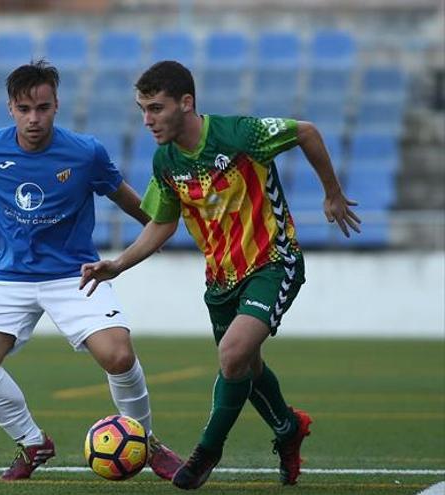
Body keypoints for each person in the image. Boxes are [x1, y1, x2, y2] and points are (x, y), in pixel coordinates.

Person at [0, 59, 182, 481]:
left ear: (56, 105)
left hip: (73, 274)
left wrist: (164, 228)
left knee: (118, 355)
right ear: (10, 108)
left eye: (42, 108)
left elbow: (135, 205)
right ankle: (32, 442)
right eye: (24, 109)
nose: (34, 118)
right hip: (10, 276)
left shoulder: (85, 153)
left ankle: (147, 443)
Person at [80, 60, 362, 490]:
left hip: (274, 260)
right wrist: (117, 263)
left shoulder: (239, 135)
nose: (147, 120)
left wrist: (332, 193)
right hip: (221, 280)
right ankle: (287, 428)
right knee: (245, 368)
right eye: (142, 109)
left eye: (156, 108)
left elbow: (306, 131)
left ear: (186, 102)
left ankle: (205, 453)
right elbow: (162, 223)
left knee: (232, 356)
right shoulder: (166, 162)